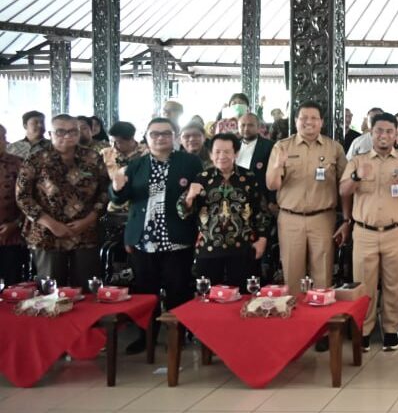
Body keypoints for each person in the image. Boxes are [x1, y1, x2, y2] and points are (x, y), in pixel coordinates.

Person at [112, 118, 202, 354]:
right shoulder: (136, 165)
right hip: (144, 238)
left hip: (177, 237)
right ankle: (146, 335)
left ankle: (179, 334)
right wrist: (117, 186)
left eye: (166, 133)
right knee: (144, 291)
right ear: (146, 137)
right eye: (154, 134)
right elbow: (119, 198)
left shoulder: (190, 162)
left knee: (178, 288)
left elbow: (200, 196)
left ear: (174, 136)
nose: (160, 138)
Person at [266, 100, 348, 352]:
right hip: (290, 217)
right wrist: (279, 166)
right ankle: (296, 328)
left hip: (323, 217)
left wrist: (346, 219)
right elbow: (271, 185)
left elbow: (345, 188)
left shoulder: (334, 148)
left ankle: (321, 328)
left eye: (314, 118)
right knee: (293, 274)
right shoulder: (282, 146)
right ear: (296, 120)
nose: (308, 122)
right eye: (303, 118)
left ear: (321, 122)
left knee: (322, 274)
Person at [338, 113, 398, 352]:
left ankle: (391, 330)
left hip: (396, 231)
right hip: (364, 232)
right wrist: (356, 176)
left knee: (395, 284)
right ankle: (364, 330)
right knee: (365, 285)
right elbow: (343, 190)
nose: (384, 136)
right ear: (371, 133)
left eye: (388, 132)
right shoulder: (357, 160)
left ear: (396, 134)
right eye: (379, 131)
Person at [16, 114, 108, 290]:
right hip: (46, 233)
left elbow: (105, 192)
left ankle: (85, 319)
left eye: (72, 131)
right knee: (50, 290)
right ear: (50, 134)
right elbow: (23, 197)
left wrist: (89, 220)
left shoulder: (93, 158)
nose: (67, 136)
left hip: (85, 232)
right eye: (60, 132)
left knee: (87, 288)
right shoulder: (35, 159)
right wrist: (50, 224)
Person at [178, 133, 270, 292]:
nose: (222, 156)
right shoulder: (202, 178)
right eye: (217, 152)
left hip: (243, 248)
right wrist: (189, 198)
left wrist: (262, 239)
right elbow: (182, 213)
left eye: (227, 151)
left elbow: (261, 211)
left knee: (244, 296)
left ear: (236, 153)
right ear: (211, 154)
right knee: (208, 299)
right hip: (208, 248)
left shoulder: (249, 177)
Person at [0, 124, 25, 284]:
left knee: (12, 286)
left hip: (11, 235)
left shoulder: (19, 164)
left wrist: (16, 224)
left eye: (1, 137)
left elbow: (32, 198)